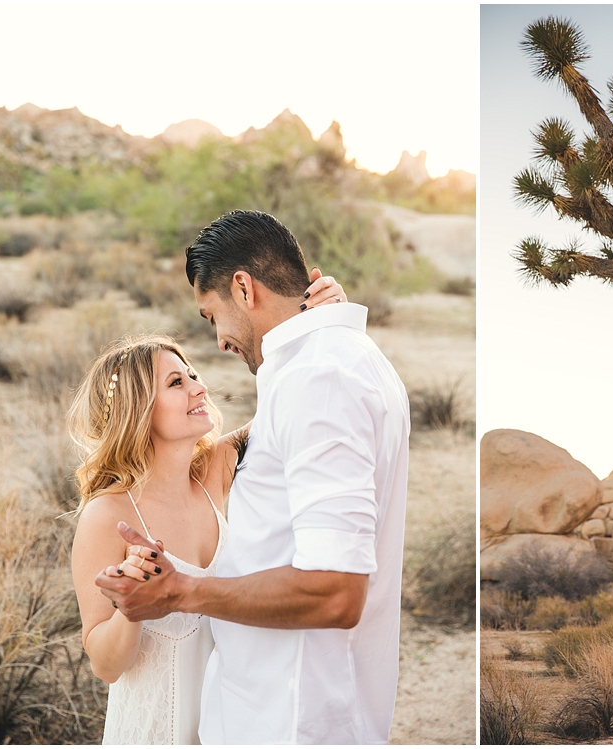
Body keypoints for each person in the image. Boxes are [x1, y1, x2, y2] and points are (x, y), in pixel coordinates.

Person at [95, 209, 411, 745]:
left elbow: (336, 593)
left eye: (210, 315)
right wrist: (319, 319)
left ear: (243, 287)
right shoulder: (319, 367)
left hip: (289, 720)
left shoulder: (319, 378)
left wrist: (181, 593)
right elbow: (273, 439)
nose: (218, 341)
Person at [69, 273, 346, 745]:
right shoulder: (107, 514)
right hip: (153, 732)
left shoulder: (216, 468)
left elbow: (289, 408)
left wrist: (326, 324)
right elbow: (105, 664)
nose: (199, 388)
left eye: (193, 375)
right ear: (138, 410)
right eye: (177, 382)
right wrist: (131, 608)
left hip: (231, 729)